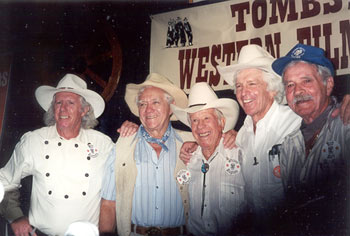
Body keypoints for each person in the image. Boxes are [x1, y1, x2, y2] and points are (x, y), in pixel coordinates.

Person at [0, 74, 114, 236]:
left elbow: (117, 189)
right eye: (58, 102)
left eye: (70, 103)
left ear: (84, 110)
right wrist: (15, 217)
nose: (63, 109)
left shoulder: (103, 145)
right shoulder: (34, 141)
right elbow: (4, 181)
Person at [99, 73, 193, 236]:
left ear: (171, 107)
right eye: (142, 104)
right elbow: (108, 204)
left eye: (155, 102)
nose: (148, 109)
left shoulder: (192, 143)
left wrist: (231, 135)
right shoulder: (122, 146)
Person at [272, 43, 350, 235]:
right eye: (290, 85)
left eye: (306, 81)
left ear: (328, 84)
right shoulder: (288, 145)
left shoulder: (346, 126)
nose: (297, 91)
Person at [171, 82, 245, 235]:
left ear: (221, 122)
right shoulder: (189, 159)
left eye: (206, 118)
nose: (200, 127)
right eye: (195, 121)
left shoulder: (241, 154)